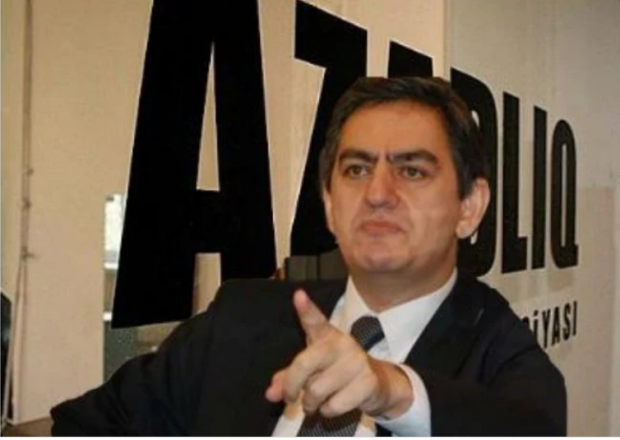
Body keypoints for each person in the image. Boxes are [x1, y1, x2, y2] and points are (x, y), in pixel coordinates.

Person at [50, 76, 566, 436]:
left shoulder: (502, 354)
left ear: (469, 207)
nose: (378, 193)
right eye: (356, 170)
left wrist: (393, 391)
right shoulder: (239, 319)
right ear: (329, 205)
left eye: (412, 171)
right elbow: (86, 426)